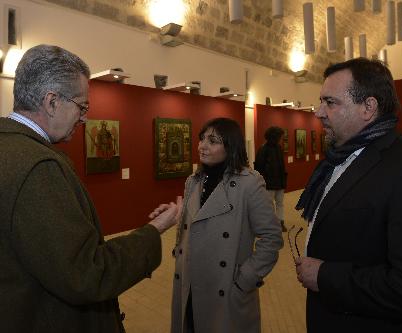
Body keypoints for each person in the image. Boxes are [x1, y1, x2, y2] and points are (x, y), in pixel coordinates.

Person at [0, 44, 181, 332]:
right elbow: (86, 274)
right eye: (82, 106)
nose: (84, 118)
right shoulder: (39, 167)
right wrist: (154, 229)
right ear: (51, 102)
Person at [294, 58, 402, 332]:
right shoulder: (338, 160)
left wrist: (327, 276)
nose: (318, 112)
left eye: (330, 102)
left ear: (368, 107)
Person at [170, 118, 283, 333]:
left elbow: (272, 237)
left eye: (213, 141)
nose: (203, 145)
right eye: (202, 138)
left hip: (226, 289)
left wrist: (245, 279)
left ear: (230, 146)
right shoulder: (193, 181)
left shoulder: (249, 183)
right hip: (190, 285)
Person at [254, 126, 288, 232]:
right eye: (279, 136)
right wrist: (263, 182)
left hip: (280, 182)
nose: (280, 138)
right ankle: (268, 225)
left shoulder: (278, 148)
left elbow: (282, 166)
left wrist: (283, 181)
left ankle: (280, 222)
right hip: (268, 183)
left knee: (280, 203)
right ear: (274, 136)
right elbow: (259, 168)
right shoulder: (263, 149)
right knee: (268, 205)